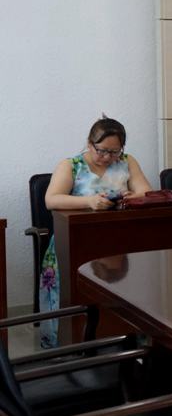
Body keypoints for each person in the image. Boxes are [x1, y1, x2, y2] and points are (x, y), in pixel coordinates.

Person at [42, 117, 153, 332]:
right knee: (76, 301)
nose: (107, 157)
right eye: (101, 151)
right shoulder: (71, 165)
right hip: (76, 242)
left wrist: (134, 196)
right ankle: (70, 339)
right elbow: (51, 200)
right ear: (89, 143)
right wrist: (89, 201)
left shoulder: (127, 161)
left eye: (114, 152)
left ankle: (120, 335)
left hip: (119, 242)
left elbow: (146, 192)